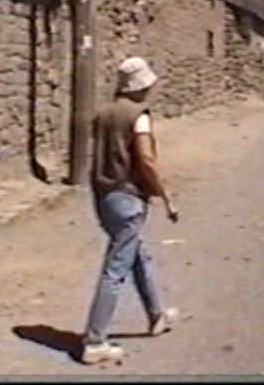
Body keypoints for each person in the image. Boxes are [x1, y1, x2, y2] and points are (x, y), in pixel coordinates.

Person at [81, 56, 179, 365]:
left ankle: (156, 314)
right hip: (128, 198)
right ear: (141, 87)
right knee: (115, 270)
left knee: (137, 255)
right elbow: (146, 160)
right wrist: (166, 196)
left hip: (104, 197)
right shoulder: (139, 116)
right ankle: (94, 341)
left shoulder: (104, 113)